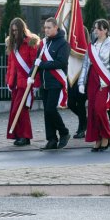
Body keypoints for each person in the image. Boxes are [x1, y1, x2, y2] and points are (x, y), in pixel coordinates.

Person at [79, 18, 110, 152]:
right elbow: (85, 65)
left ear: (106, 30)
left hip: (104, 82)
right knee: (91, 111)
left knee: (99, 109)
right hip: (92, 80)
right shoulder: (91, 46)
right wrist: (81, 82)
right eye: (95, 28)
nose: (96, 30)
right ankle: (97, 138)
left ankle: (106, 136)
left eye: (99, 28)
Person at [35, 16, 71, 150]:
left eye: (49, 27)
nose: (46, 30)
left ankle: (64, 132)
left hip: (56, 81)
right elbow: (36, 62)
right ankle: (51, 139)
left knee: (51, 109)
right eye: (45, 27)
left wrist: (42, 65)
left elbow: (61, 63)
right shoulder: (43, 43)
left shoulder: (63, 44)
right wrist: (30, 77)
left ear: (56, 27)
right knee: (47, 111)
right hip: (44, 82)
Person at [4, 18, 41, 146]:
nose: (14, 33)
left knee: (20, 110)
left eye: (16, 30)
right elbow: (11, 65)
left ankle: (25, 136)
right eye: (12, 31)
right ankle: (20, 135)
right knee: (16, 110)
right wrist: (9, 81)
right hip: (15, 83)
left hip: (26, 83)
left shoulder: (31, 43)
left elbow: (34, 65)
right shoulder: (12, 44)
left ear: (22, 29)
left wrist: (35, 83)